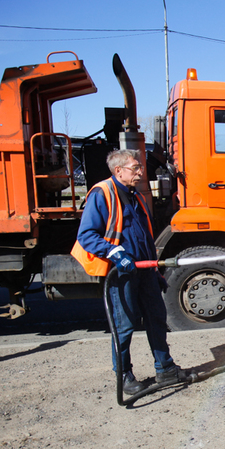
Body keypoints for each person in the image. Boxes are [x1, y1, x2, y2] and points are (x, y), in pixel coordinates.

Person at [71, 149, 186, 395]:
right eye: (135, 168)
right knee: (124, 325)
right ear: (118, 170)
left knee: (157, 318)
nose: (140, 171)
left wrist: (154, 271)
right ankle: (124, 376)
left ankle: (165, 369)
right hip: (121, 273)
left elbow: (144, 238)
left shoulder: (135, 196)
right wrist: (115, 253)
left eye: (139, 167)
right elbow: (86, 236)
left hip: (144, 270)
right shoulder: (102, 194)